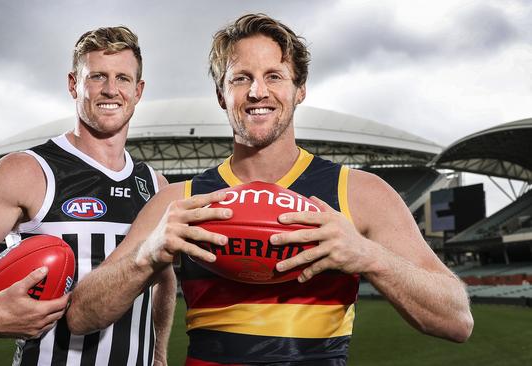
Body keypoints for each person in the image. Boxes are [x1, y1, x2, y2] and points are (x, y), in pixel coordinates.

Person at [66, 14, 474, 365]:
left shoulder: (360, 193)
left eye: (274, 76)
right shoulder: (179, 201)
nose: (258, 92)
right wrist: (148, 253)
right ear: (221, 95)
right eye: (241, 78)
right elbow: (82, 316)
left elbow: (456, 320)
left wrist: (370, 255)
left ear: (300, 90)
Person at [0, 26, 176, 366]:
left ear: (138, 91)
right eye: (97, 76)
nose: (111, 89)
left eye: (123, 78)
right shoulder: (28, 171)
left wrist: (159, 352)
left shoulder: (155, 185)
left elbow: (163, 279)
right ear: (73, 84)